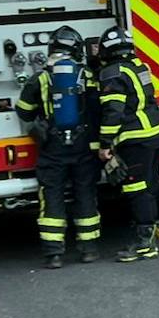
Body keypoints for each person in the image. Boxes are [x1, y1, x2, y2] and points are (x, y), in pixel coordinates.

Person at [15, 25, 101, 268]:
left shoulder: (40, 78)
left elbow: (24, 111)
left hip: (53, 148)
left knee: (52, 196)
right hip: (84, 146)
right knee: (85, 193)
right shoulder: (87, 75)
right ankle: (89, 249)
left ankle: (54, 254)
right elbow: (98, 107)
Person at [96, 25, 159, 262]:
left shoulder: (112, 73)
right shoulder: (139, 65)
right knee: (150, 187)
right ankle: (149, 232)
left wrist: (105, 143)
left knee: (137, 190)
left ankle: (144, 244)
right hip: (155, 134)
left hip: (135, 139)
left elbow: (113, 111)